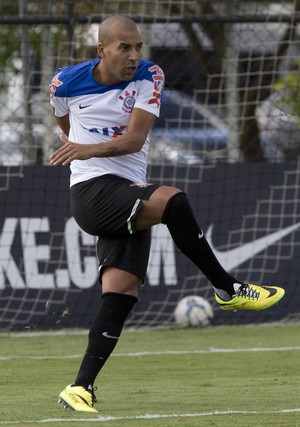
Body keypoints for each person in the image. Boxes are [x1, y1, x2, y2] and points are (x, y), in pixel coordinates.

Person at [49, 15, 285, 413]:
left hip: (126, 190)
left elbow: (135, 140)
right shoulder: (64, 82)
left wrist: (84, 147)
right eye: (125, 47)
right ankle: (227, 290)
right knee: (173, 201)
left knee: (120, 293)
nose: (134, 55)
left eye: (138, 46)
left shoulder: (148, 75)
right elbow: (63, 120)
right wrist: (81, 149)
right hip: (91, 192)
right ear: (101, 50)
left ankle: (80, 387)